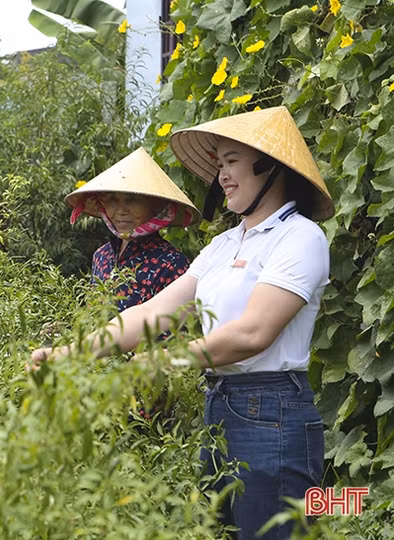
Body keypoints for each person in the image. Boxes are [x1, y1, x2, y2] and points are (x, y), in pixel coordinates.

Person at [31, 106, 334, 539]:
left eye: (232, 161)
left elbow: (253, 333)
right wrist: (67, 353)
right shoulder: (224, 245)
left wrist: (163, 362)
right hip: (221, 403)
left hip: (272, 413)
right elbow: (150, 313)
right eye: (220, 163)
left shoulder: (300, 238)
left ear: (271, 167)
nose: (222, 175)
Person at [65, 147, 199, 311]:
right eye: (113, 201)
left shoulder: (172, 264)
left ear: (155, 207)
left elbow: (177, 328)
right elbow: (91, 316)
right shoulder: (101, 256)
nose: (121, 211)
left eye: (132, 200)